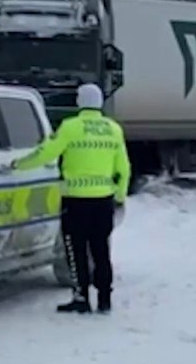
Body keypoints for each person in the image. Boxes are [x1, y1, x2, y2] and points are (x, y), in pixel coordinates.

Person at [10, 83, 130, 314]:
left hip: (75, 201)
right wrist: (120, 195)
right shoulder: (113, 129)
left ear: (80, 102)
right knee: (101, 250)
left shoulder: (70, 127)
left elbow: (46, 152)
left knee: (76, 250)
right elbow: (124, 167)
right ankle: (105, 299)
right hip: (103, 200)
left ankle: (81, 297)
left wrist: (19, 165)